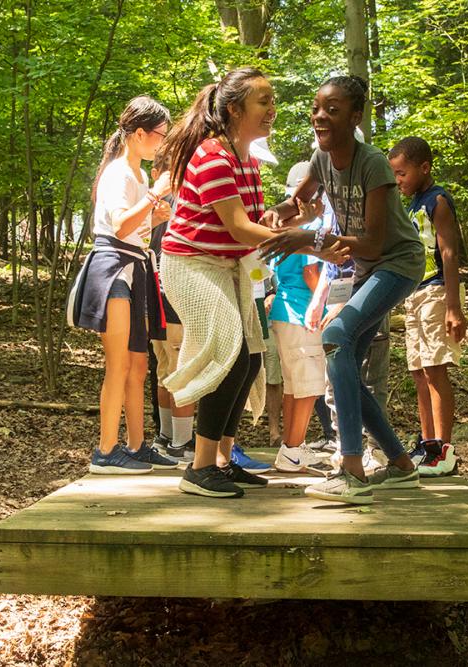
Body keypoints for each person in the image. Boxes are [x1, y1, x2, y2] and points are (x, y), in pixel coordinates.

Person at [260, 75, 424, 504]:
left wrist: (307, 241)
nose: (320, 117)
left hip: (397, 263)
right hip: (370, 267)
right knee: (345, 356)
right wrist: (276, 215)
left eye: (332, 110)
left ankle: (351, 468)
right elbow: (298, 204)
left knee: (334, 338)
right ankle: (401, 464)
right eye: (317, 109)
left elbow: (371, 241)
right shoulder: (320, 158)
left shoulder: (372, 164)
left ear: (355, 116)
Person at [158, 68, 304, 498]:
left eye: (272, 100)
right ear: (234, 108)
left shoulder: (248, 160)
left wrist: (296, 215)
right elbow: (240, 228)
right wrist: (309, 243)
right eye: (264, 101)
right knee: (230, 354)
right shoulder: (212, 156)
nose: (272, 109)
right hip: (191, 265)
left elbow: (254, 223)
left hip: (227, 265)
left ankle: (222, 459)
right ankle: (199, 468)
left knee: (252, 358)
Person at [69, 96, 180, 474]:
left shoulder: (140, 175)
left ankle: (135, 444)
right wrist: (155, 197)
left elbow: (137, 228)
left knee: (139, 364)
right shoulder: (118, 173)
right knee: (117, 364)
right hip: (113, 269)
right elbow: (118, 227)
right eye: (159, 136)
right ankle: (105, 450)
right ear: (138, 134)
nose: (161, 144)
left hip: (136, 267)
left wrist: (154, 211)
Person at [388, 136, 466, 476]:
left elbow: (448, 253)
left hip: (437, 293)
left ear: (424, 168)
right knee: (418, 371)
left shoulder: (438, 201)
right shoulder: (411, 204)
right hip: (414, 293)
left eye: (402, 173)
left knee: (435, 369)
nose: (398, 181)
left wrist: (453, 307)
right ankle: (427, 443)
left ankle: (444, 449)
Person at [269, 162, 333, 476]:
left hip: (284, 312)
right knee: (308, 386)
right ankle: (292, 451)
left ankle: (292, 448)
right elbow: (311, 272)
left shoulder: (285, 227)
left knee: (295, 386)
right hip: (302, 312)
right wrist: (327, 303)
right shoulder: (310, 226)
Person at [147, 149, 196, 464]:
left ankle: (167, 437)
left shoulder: (151, 206)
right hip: (174, 298)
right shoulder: (177, 204)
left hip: (155, 298)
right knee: (181, 372)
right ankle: (181, 442)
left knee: (166, 370)